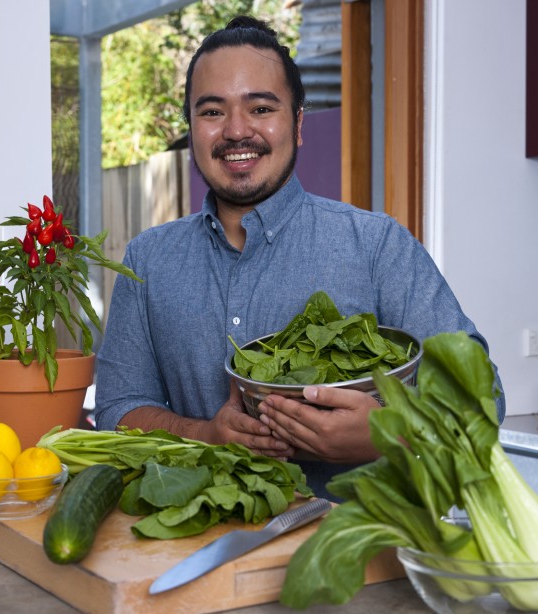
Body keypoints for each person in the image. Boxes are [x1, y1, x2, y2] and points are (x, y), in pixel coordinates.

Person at [94, 15, 505, 498]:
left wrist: (392, 432)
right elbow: (118, 411)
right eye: (211, 112)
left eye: (261, 107)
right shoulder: (147, 261)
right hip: (198, 547)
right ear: (192, 128)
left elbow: (484, 398)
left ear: (298, 122)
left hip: (356, 555)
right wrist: (205, 435)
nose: (236, 130)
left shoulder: (377, 246)